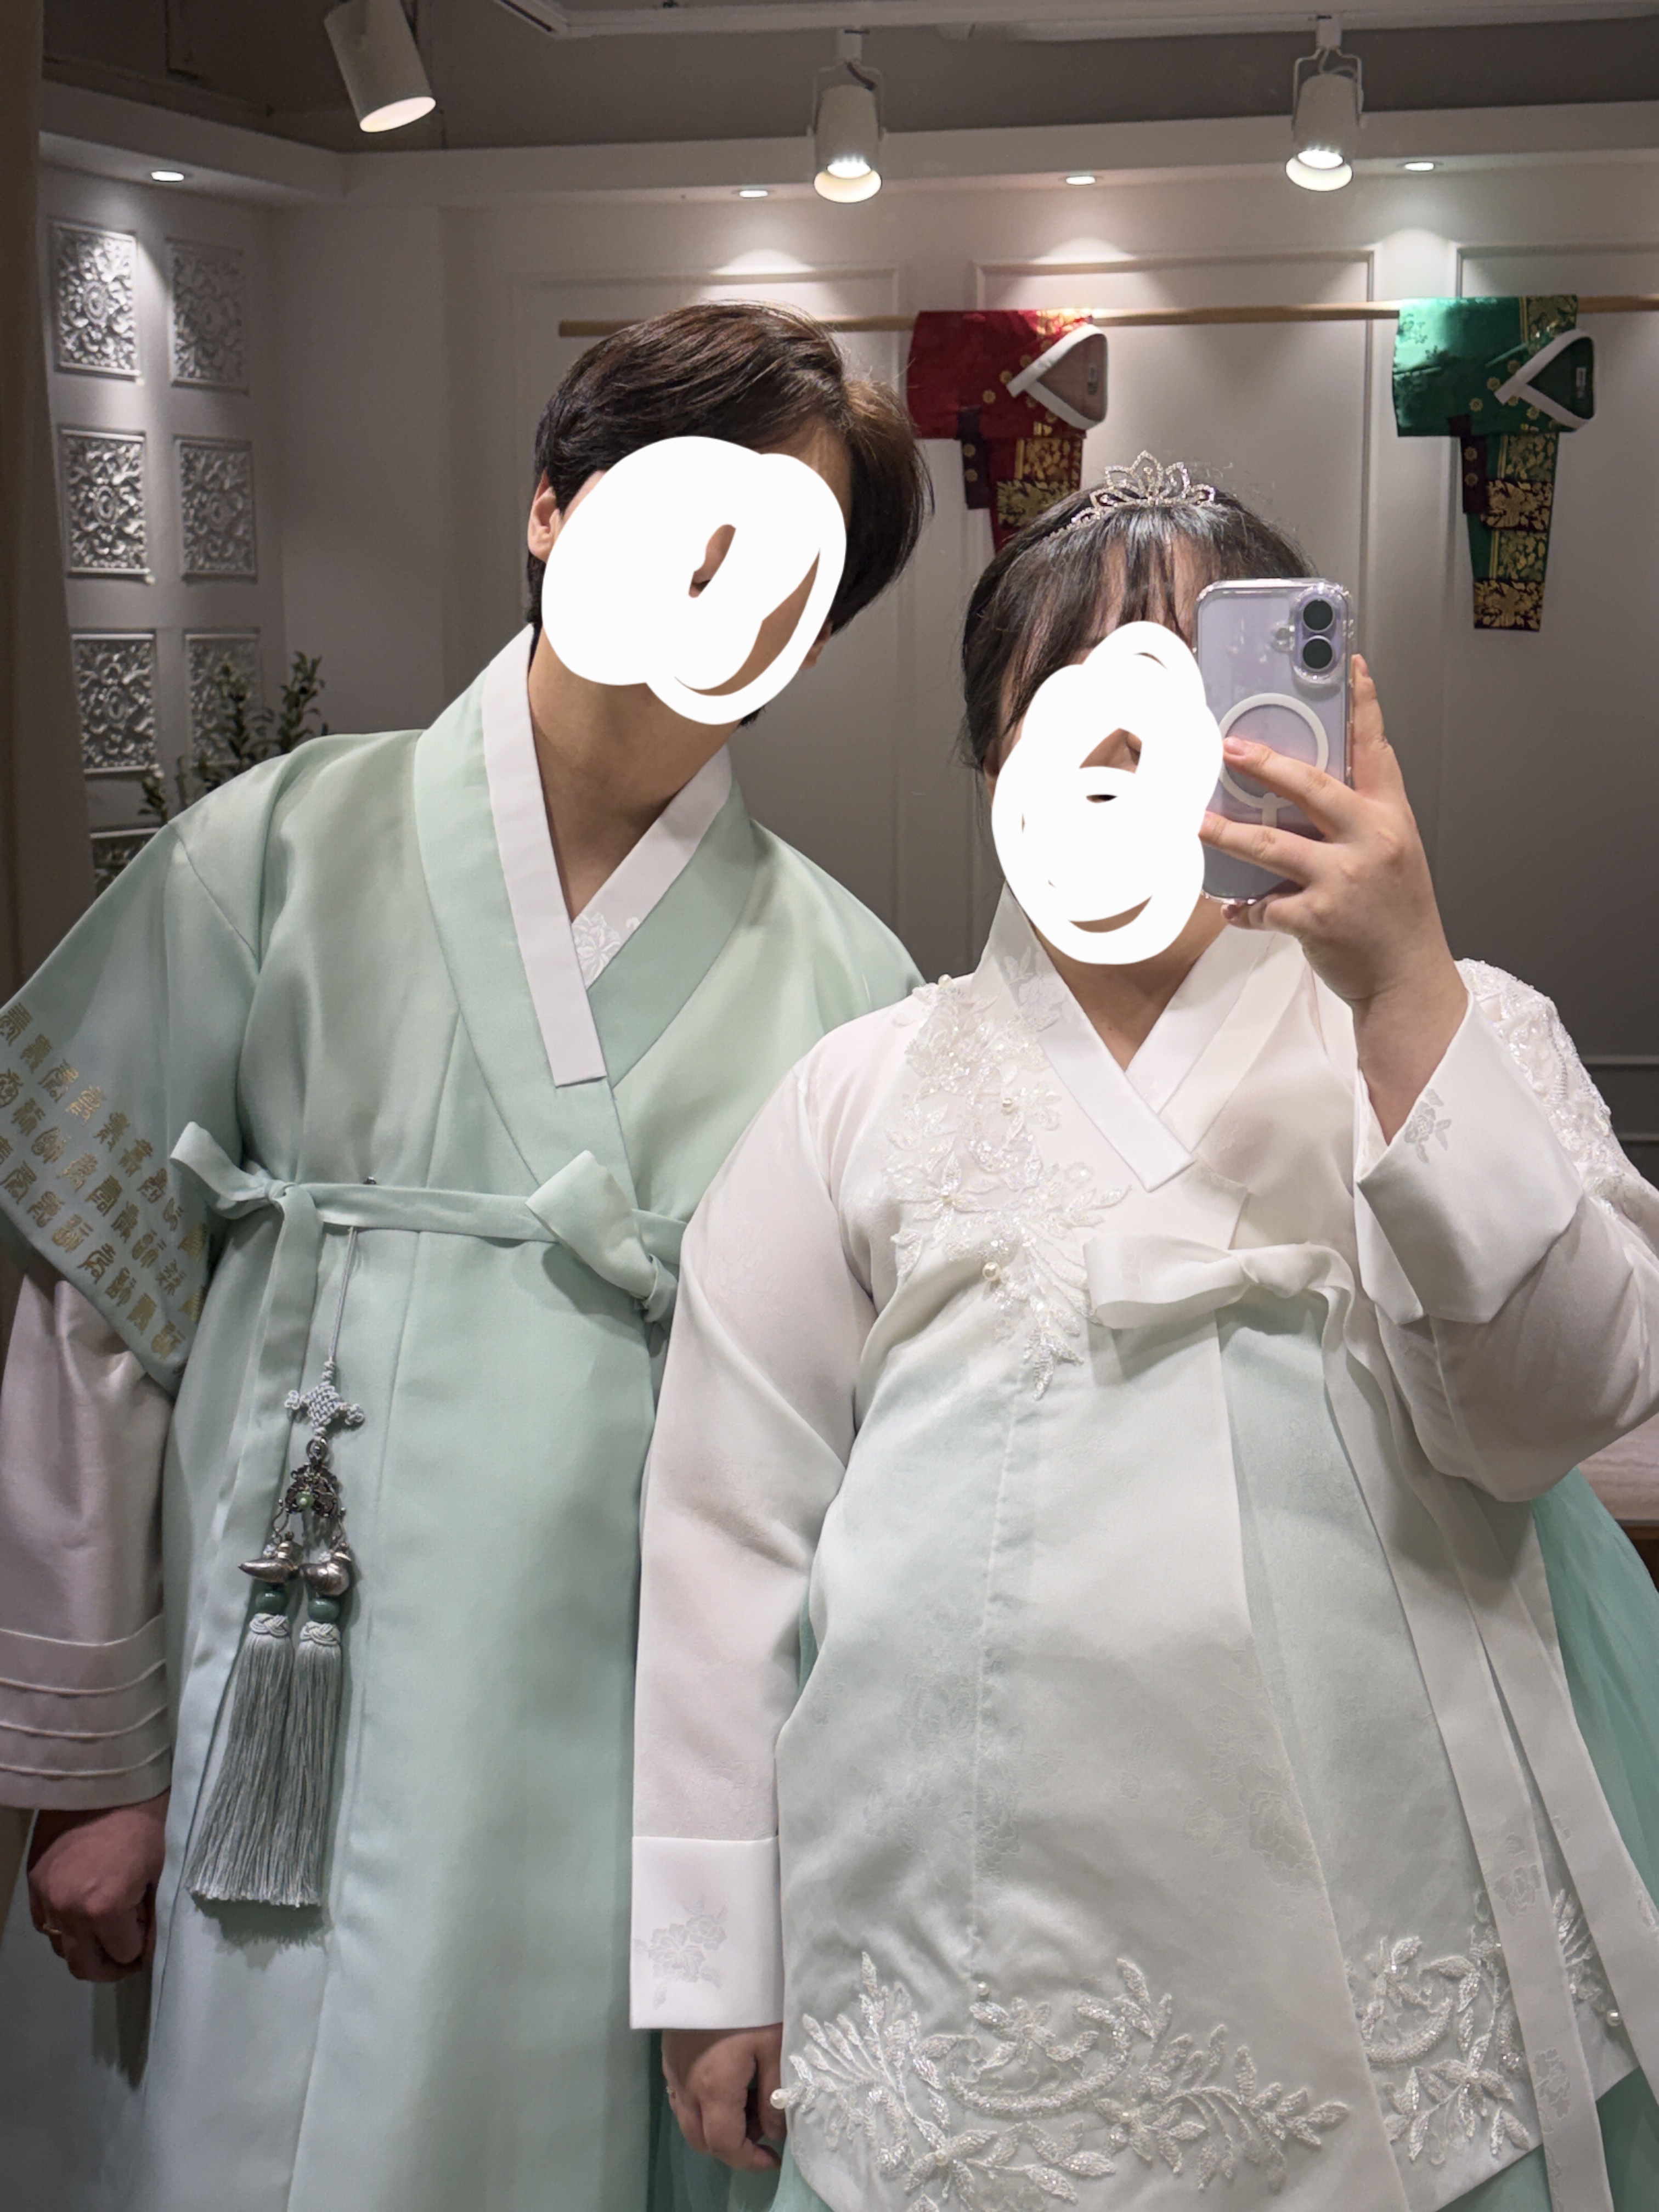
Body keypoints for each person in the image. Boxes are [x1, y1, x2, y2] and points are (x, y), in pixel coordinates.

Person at [631, 462, 1659, 2212]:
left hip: (1392, 1885)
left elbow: (1549, 1411)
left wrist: (1408, 987)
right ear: (995, 762)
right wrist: (719, 1954)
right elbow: (734, 1522)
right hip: (957, 1932)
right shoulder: (864, 1091)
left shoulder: (1459, 1022)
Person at [0, 300, 930, 2212]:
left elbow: (864, 1498)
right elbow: (97, 1311)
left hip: (626, 1746)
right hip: (287, 1683)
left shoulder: (853, 986)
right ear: (550, 508)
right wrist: (93, 1755)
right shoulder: (274, 850)